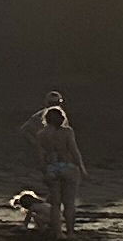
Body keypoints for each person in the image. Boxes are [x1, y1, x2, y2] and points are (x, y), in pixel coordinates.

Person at [21, 96, 88, 226]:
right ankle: (69, 232)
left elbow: (40, 157)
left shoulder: (41, 134)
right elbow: (74, 151)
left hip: (52, 167)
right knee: (68, 203)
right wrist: (81, 167)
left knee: (55, 204)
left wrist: (44, 169)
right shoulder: (67, 131)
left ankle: (56, 232)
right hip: (68, 167)